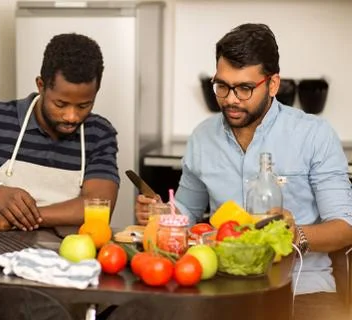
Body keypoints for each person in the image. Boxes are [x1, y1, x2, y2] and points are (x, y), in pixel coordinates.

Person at [136, 23, 352, 319]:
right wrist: (160, 213)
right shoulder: (202, 137)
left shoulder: (314, 135)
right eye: (222, 86)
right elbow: (186, 209)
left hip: (303, 291)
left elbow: (345, 228)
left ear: (273, 84)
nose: (230, 99)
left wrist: (295, 234)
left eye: (245, 88)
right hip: (220, 290)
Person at [0, 33, 120, 232]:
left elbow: (98, 206)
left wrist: (16, 218)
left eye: (84, 105)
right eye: (61, 104)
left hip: (67, 257)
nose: (71, 116)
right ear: (41, 86)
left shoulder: (99, 134)